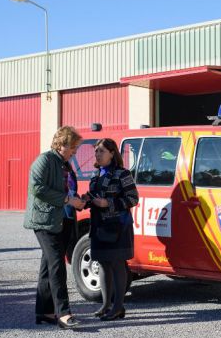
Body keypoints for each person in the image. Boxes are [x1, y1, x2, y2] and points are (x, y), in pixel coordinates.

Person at [23, 126, 86, 329]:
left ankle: (44, 311)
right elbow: (37, 188)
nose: (75, 151)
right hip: (44, 221)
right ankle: (63, 313)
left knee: (47, 266)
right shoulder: (44, 160)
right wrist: (68, 199)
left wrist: (76, 200)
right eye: (73, 147)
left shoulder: (64, 164)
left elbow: (67, 188)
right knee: (57, 265)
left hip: (61, 220)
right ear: (61, 144)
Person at [84, 138, 139, 321]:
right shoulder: (96, 173)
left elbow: (133, 199)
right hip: (99, 225)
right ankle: (106, 305)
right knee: (103, 264)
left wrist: (108, 203)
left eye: (101, 151)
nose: (97, 154)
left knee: (116, 264)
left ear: (112, 153)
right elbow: (93, 196)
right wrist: (85, 200)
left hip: (118, 226)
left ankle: (118, 307)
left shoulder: (122, 174)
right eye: (96, 151)